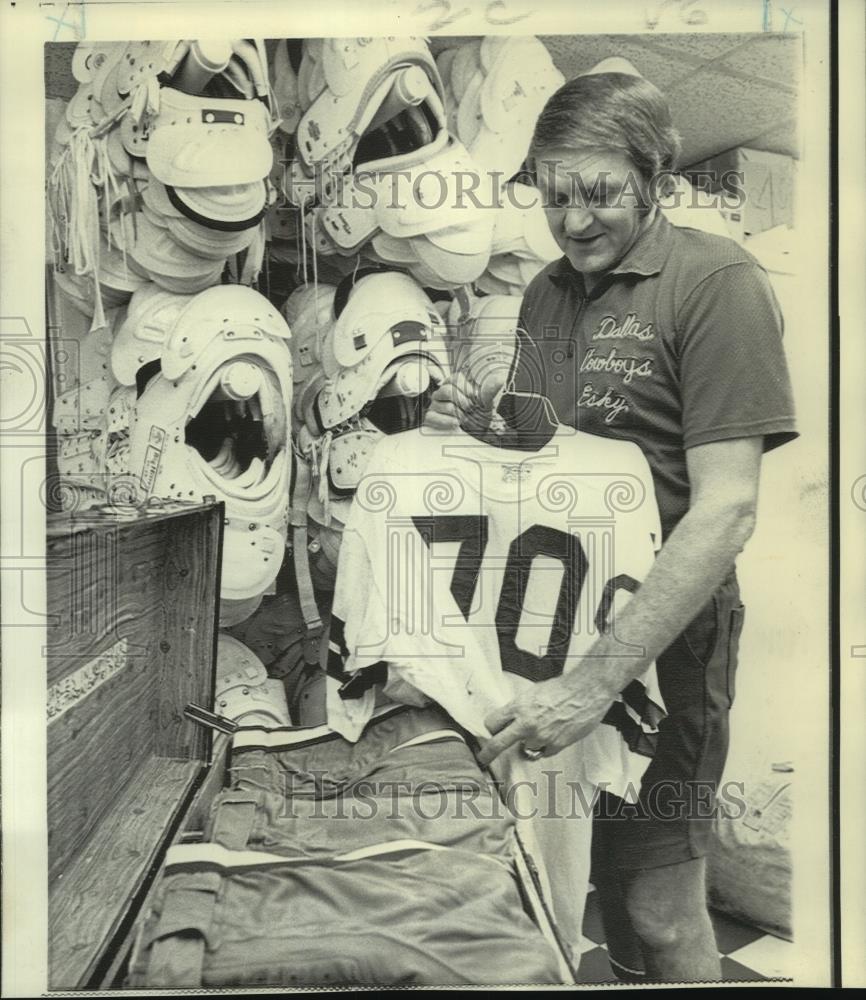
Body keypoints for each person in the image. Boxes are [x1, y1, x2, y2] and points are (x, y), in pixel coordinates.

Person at [424, 71, 798, 982]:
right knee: (595, 899)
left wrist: (596, 684)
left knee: (660, 909)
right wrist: (483, 427)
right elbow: (552, 445)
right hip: (555, 622)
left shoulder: (718, 284)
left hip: (663, 638)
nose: (574, 222)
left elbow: (726, 507)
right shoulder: (550, 293)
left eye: (598, 196)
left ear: (654, 178)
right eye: (554, 197)